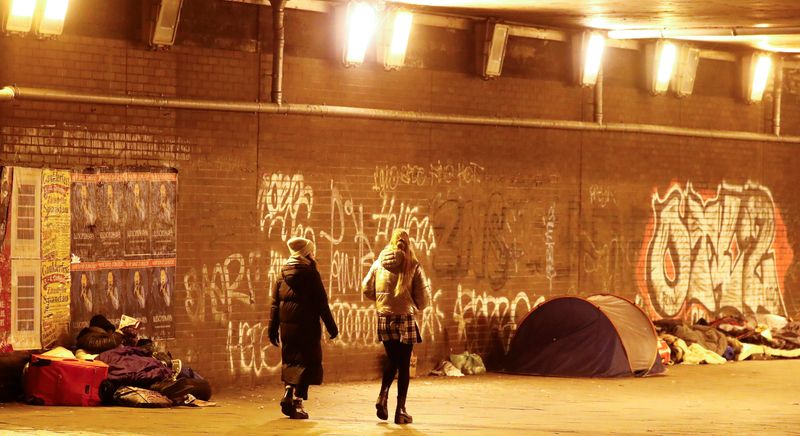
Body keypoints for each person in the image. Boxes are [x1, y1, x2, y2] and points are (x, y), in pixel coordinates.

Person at [361, 228, 429, 425]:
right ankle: (401, 410)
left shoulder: (379, 262)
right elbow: (423, 298)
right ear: (408, 243)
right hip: (404, 317)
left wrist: (382, 301)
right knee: (404, 364)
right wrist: (416, 305)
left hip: (384, 316)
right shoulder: (413, 265)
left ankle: (382, 396)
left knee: (392, 358)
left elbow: (366, 287)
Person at [268, 237, 338, 420]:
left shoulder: (281, 273)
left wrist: (272, 328)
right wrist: (332, 327)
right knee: (306, 363)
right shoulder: (311, 274)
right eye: (312, 252)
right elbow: (322, 303)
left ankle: (288, 392)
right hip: (307, 327)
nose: (314, 255)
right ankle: (297, 402)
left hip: (287, 328)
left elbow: (275, 304)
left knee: (291, 360)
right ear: (307, 253)